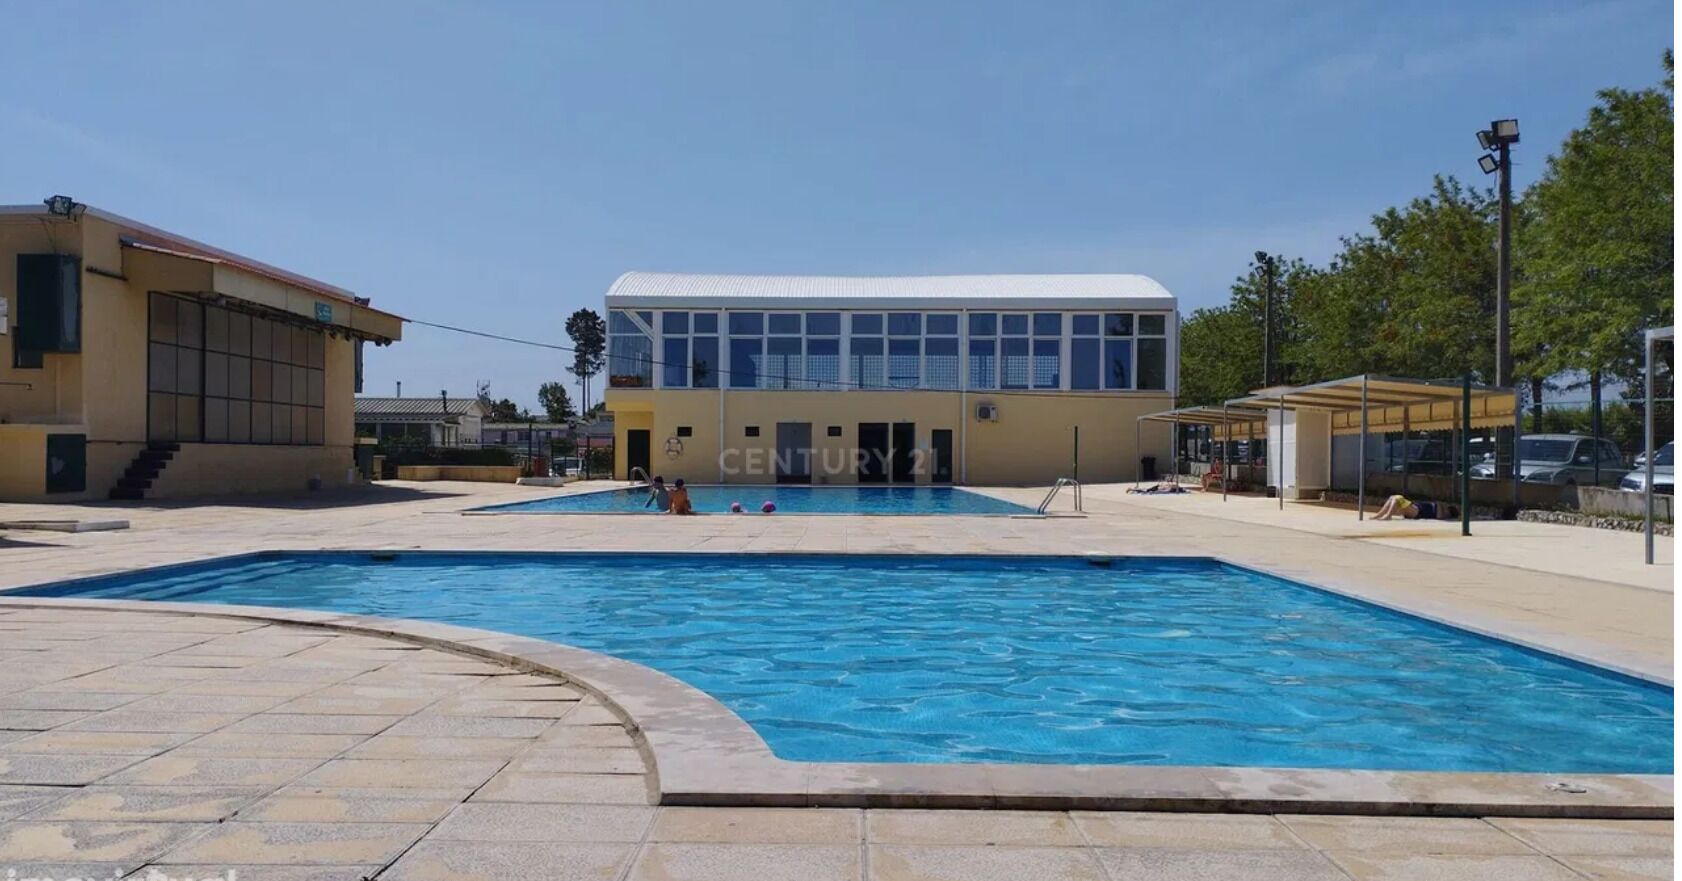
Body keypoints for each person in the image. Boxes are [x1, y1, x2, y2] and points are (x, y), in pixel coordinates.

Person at [1374, 494, 1459, 521]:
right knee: (1392, 497)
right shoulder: (1437, 507)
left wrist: (1442, 505)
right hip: (1415, 507)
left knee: (1398, 498)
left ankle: (1388, 516)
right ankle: (1379, 515)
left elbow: (1439, 517)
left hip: (1417, 511)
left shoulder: (1441, 512)